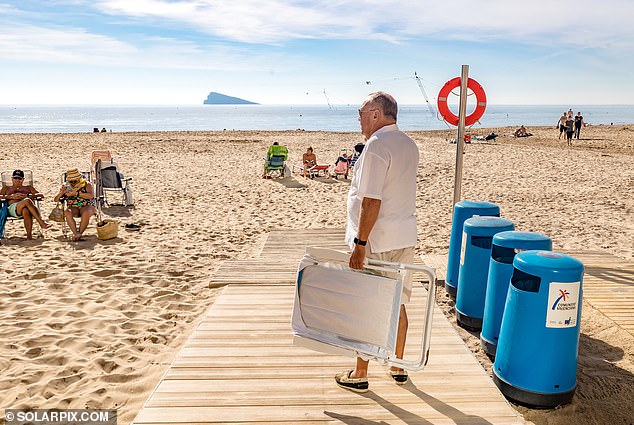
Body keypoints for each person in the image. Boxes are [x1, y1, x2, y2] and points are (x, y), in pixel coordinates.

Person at [334, 91, 419, 393]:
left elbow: (371, 201)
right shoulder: (409, 144)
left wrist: (360, 243)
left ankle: (360, 372)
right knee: (399, 302)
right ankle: (397, 364)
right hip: (403, 236)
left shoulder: (376, 146)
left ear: (375, 114)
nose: (358, 117)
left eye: (360, 111)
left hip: (377, 240)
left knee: (368, 303)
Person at [0, 169, 52, 239]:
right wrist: (10, 196)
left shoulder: (28, 188)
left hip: (27, 209)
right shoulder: (6, 188)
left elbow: (40, 195)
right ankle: (41, 222)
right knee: (27, 201)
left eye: (19, 178)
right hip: (12, 209)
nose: (17, 180)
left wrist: (27, 195)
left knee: (26, 210)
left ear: (23, 179)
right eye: (15, 178)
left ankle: (29, 236)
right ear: (12, 179)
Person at [54, 168, 96, 241]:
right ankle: (76, 233)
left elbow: (90, 196)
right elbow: (56, 200)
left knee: (86, 212)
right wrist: (62, 193)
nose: (73, 183)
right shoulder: (66, 186)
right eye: (71, 181)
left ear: (79, 179)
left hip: (86, 205)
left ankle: (79, 233)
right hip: (73, 207)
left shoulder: (86, 184)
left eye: (75, 180)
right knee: (67, 212)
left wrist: (77, 193)